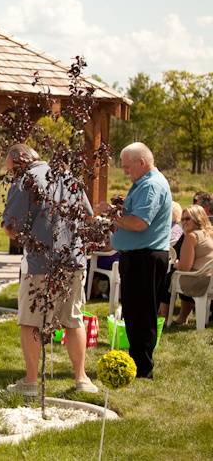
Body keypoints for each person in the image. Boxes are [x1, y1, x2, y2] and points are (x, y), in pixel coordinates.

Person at [1, 143, 98, 395]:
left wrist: (26, 236)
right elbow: (87, 215)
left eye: (11, 169)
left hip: (40, 263)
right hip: (74, 261)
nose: (11, 174)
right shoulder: (67, 176)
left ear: (20, 160)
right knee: (73, 319)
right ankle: (81, 378)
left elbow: (11, 226)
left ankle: (31, 382)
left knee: (31, 322)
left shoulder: (24, 181)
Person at [99, 142, 172, 379]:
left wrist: (111, 214)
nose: (125, 171)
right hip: (140, 256)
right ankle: (137, 362)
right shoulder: (144, 183)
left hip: (146, 257)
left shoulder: (151, 185)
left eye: (128, 167)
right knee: (134, 313)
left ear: (142, 162)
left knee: (142, 314)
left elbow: (139, 223)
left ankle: (143, 368)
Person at [170, 205, 213, 324]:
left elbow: (185, 268)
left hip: (201, 281)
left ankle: (165, 315)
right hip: (210, 279)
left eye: (187, 219)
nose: (184, 222)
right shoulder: (209, 233)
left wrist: (176, 264)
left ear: (197, 218)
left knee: (170, 274)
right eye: (182, 219)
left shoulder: (191, 236)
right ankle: (182, 317)